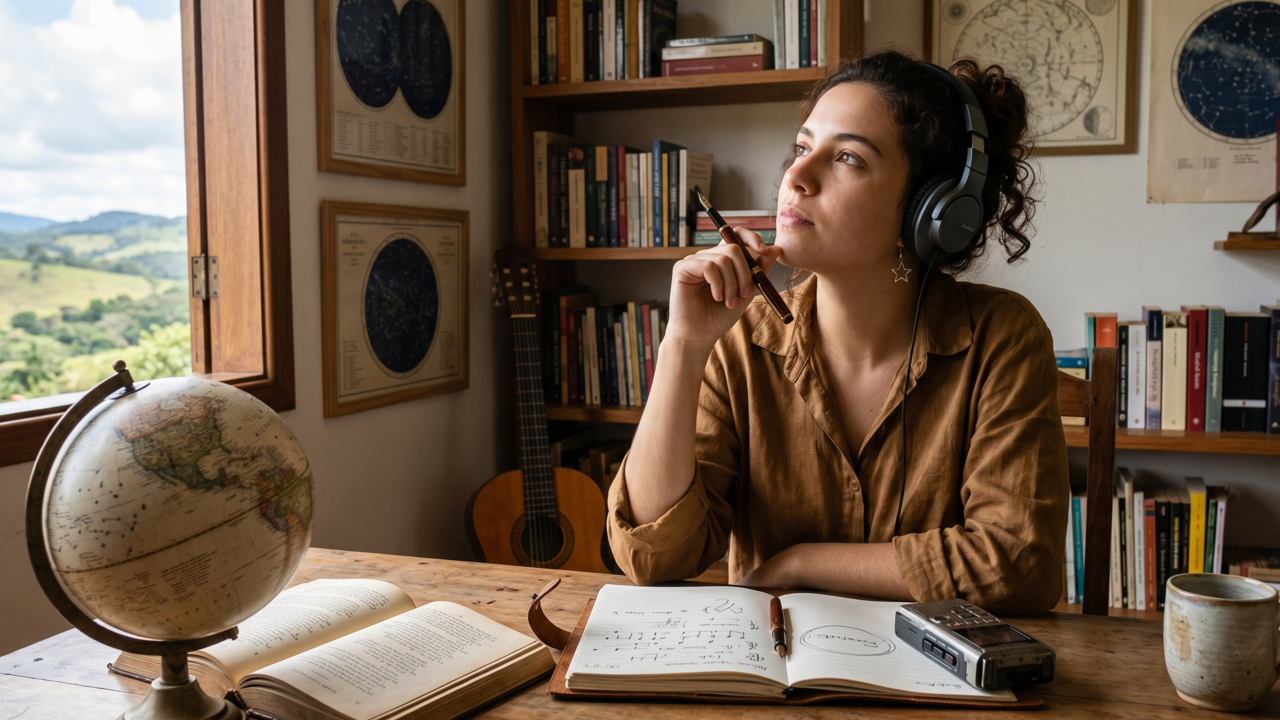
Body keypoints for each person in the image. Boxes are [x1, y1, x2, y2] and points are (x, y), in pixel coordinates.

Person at [605, 50, 1069, 614]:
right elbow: (652, 557)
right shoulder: (738, 338)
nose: (795, 177)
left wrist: (801, 564)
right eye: (801, 149)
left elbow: (1019, 562)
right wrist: (683, 344)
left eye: (847, 156)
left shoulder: (1003, 336)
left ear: (930, 211)